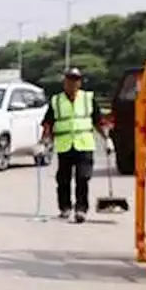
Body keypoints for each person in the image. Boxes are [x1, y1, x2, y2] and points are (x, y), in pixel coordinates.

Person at [41, 66, 109, 224]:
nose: (72, 83)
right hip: (64, 145)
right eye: (69, 80)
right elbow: (48, 123)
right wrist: (45, 142)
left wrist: (107, 140)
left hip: (84, 144)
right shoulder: (56, 100)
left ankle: (81, 209)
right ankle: (65, 207)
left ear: (80, 83)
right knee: (63, 179)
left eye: (75, 80)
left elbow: (98, 121)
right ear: (64, 82)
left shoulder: (88, 98)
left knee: (83, 178)